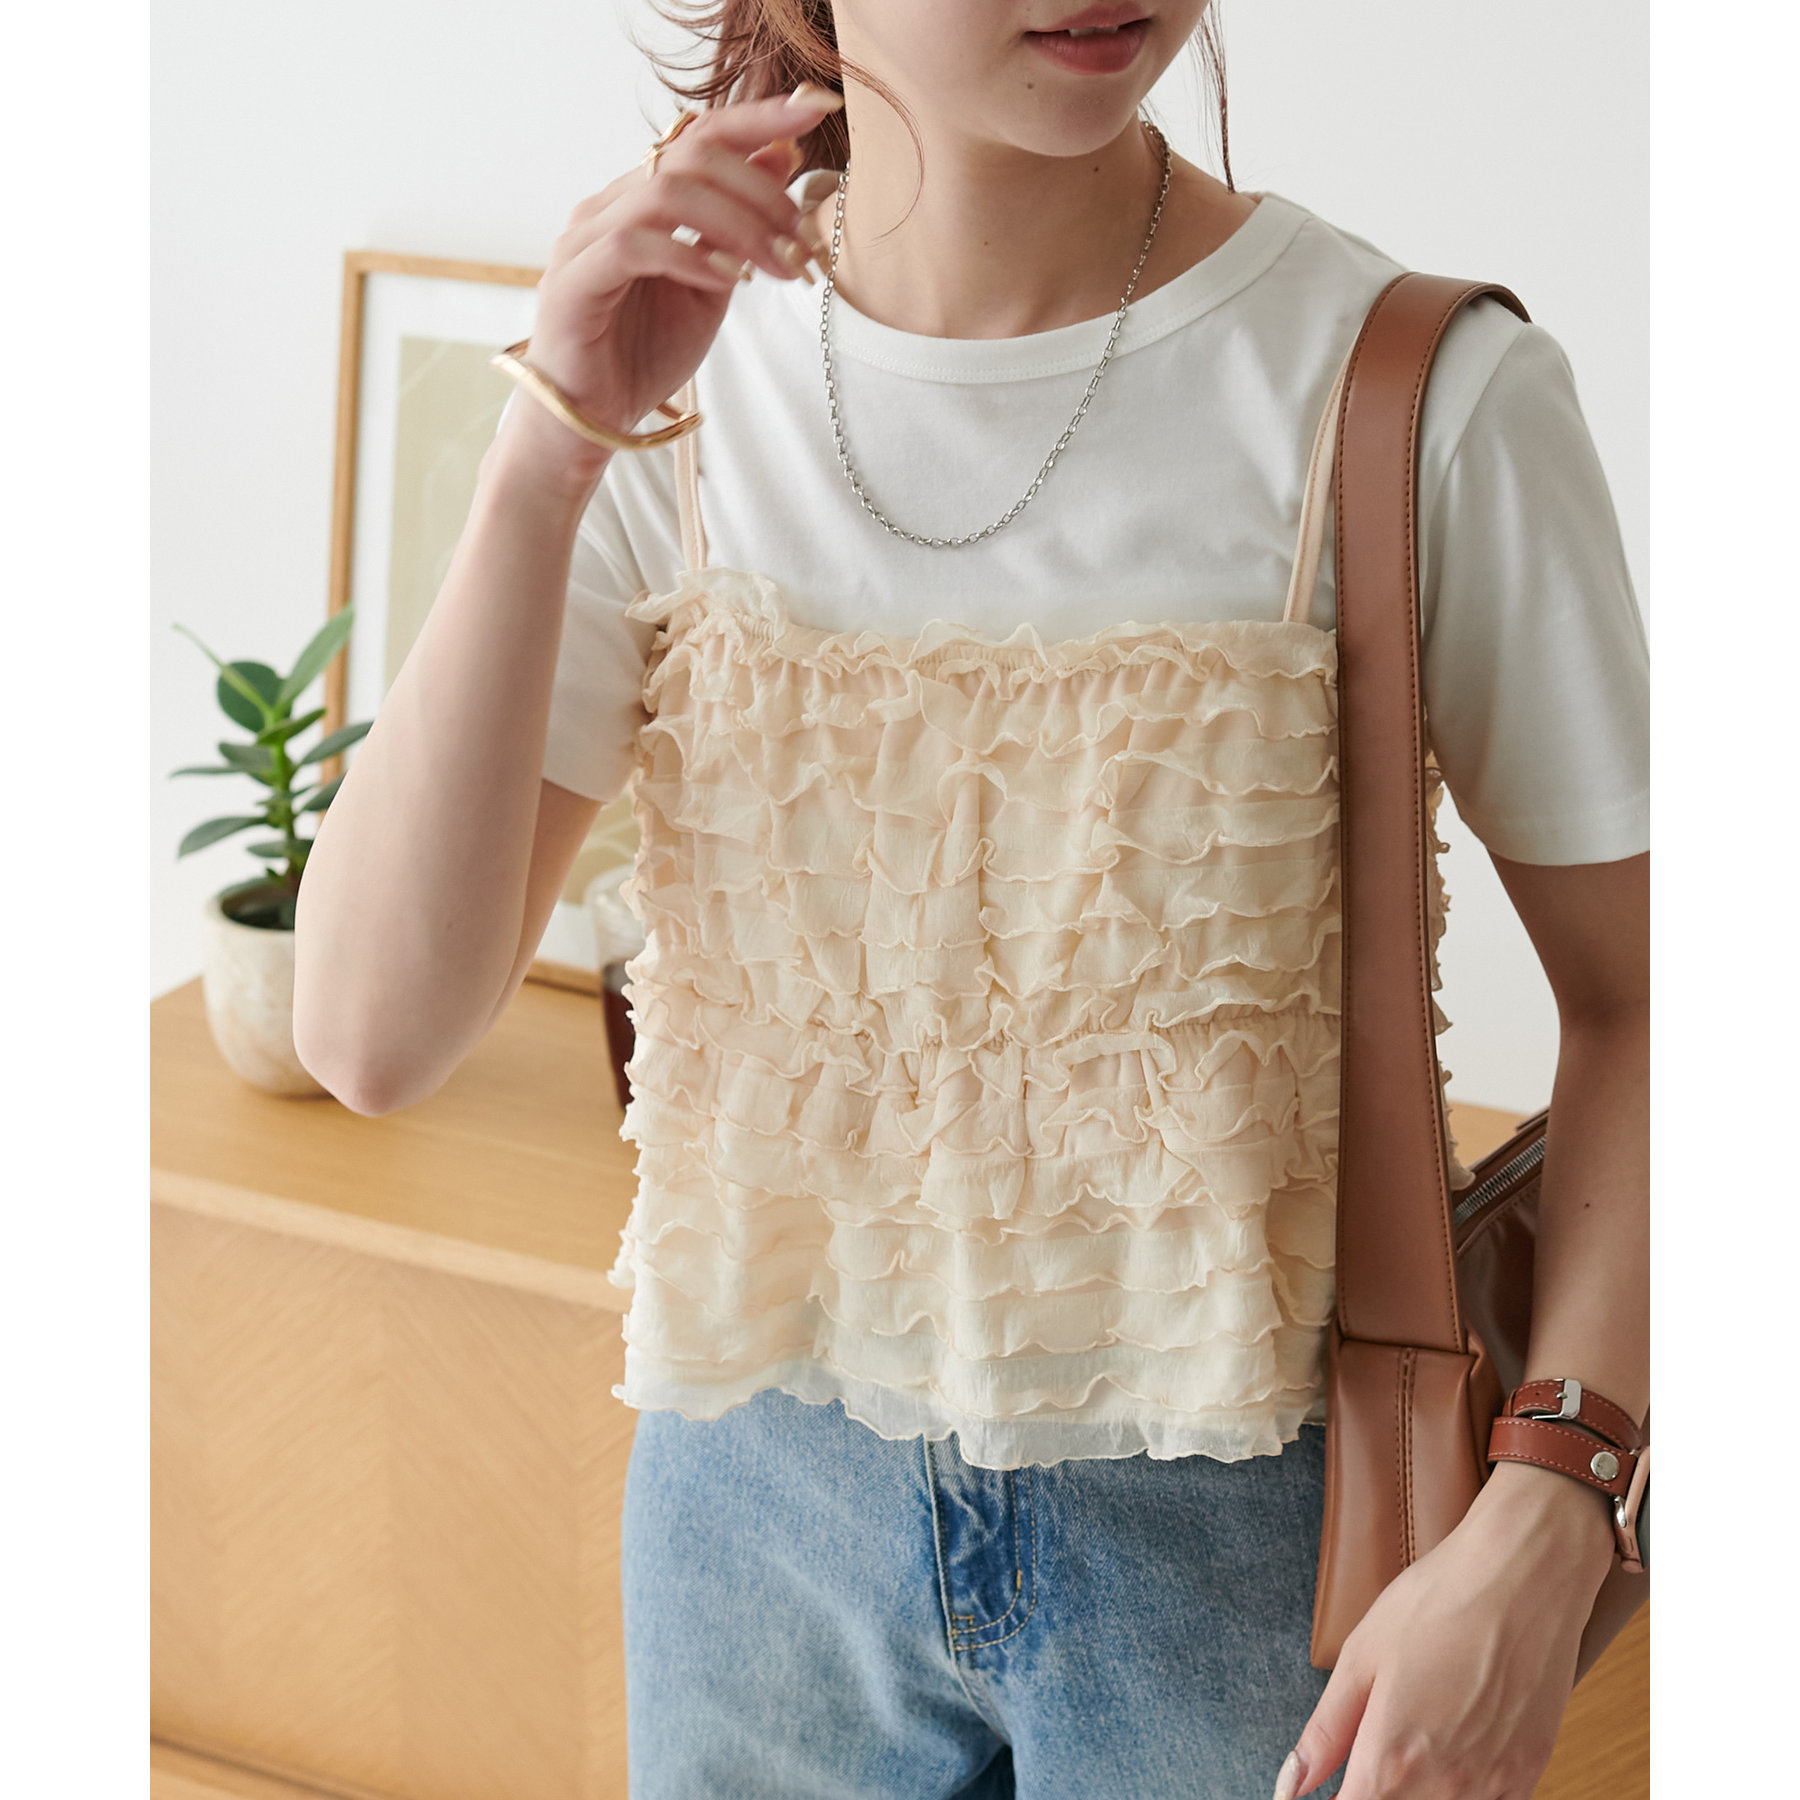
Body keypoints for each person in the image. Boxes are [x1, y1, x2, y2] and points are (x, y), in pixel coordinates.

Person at [293, 4, 1650, 1795]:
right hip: (753, 1528)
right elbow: (370, 1035)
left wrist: (1558, 1508)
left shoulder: (1411, 394)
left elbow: (1661, 1004)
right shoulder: (671, 388)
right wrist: (552, 449)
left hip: (1260, 1558)